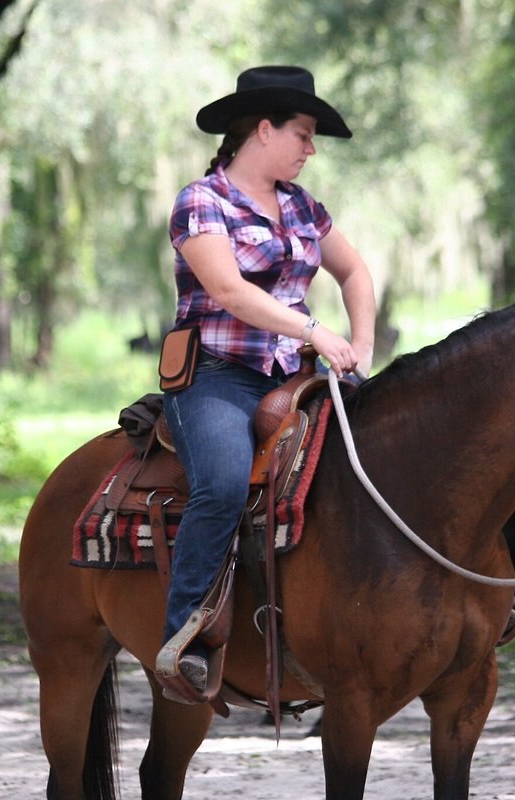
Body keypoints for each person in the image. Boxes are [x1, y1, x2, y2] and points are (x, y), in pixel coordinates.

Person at [156, 65, 376, 701]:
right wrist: (313, 330)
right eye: (304, 134)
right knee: (222, 484)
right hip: (217, 378)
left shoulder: (305, 207)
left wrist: (359, 344)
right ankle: (186, 641)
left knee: (394, 440)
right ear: (262, 128)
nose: (311, 149)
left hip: (295, 376)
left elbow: (355, 272)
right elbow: (227, 292)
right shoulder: (202, 202)